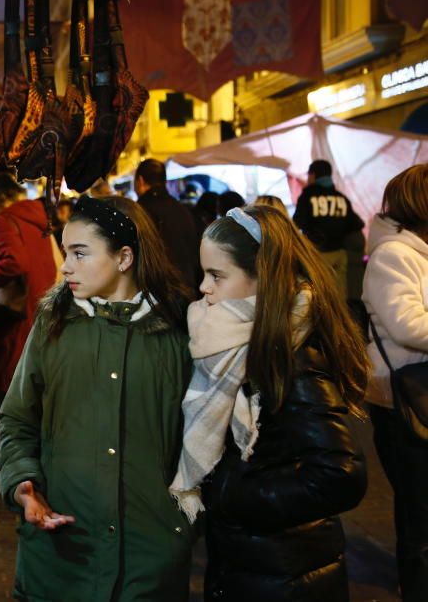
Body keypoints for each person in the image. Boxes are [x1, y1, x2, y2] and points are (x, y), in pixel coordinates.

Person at [0, 196, 195, 601]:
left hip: (149, 560)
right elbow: (17, 419)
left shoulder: (178, 332)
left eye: (80, 253)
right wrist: (23, 485)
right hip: (62, 554)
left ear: (124, 257)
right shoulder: (53, 325)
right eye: (65, 251)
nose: (65, 265)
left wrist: (179, 526)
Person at [171, 205, 369, 602]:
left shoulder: (290, 355)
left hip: (287, 574)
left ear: (263, 275)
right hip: (256, 567)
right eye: (204, 274)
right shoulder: (242, 343)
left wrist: (231, 496)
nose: (204, 288)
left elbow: (340, 474)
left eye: (216, 276)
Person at [362, 164, 428, 602]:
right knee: (418, 509)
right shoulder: (395, 255)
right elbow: (406, 324)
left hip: (419, 390)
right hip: (405, 397)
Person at [0, 172, 58, 392]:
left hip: (14, 304)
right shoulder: (35, 215)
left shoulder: (4, 219)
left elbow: (14, 261)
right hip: (38, 294)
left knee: (9, 367)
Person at [293, 159, 364, 298]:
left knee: (319, 298)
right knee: (339, 299)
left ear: (313, 175)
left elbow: (297, 222)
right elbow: (356, 224)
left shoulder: (308, 196)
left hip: (317, 255)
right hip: (339, 255)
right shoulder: (341, 198)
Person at [134, 159, 200, 292]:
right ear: (164, 182)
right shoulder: (182, 210)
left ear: (140, 181)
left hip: (155, 293)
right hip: (186, 289)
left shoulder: (138, 211)